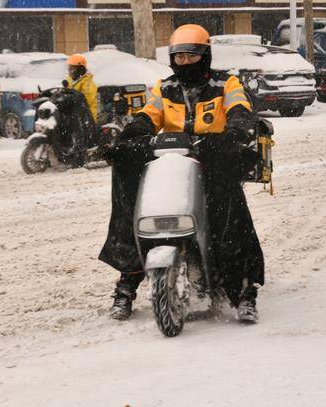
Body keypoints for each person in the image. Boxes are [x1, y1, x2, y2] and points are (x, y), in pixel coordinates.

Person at [99, 24, 265, 323]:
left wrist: (235, 132)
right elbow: (147, 116)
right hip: (171, 162)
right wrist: (130, 137)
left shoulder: (226, 84)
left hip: (212, 160)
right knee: (131, 197)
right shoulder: (165, 89)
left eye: (191, 56)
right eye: (179, 57)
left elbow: (240, 110)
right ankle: (128, 279)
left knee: (229, 215)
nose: (185, 63)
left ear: (205, 55)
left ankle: (243, 289)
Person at [66, 54, 98, 122]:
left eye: (72, 68)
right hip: (72, 114)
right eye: (69, 68)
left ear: (80, 69)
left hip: (86, 118)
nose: (70, 71)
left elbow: (88, 102)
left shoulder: (88, 83)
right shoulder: (70, 80)